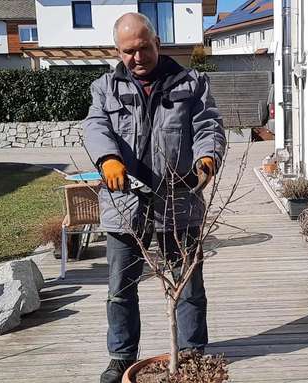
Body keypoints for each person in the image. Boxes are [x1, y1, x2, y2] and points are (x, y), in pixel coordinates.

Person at [83, 12, 226, 383]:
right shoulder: (105, 88)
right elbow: (95, 126)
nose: (137, 57)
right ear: (118, 51)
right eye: (128, 51)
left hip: (179, 202)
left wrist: (207, 157)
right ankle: (120, 357)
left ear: (157, 44)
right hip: (124, 203)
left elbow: (208, 125)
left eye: (144, 48)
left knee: (188, 285)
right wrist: (107, 159)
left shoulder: (192, 82)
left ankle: (192, 353)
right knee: (120, 289)